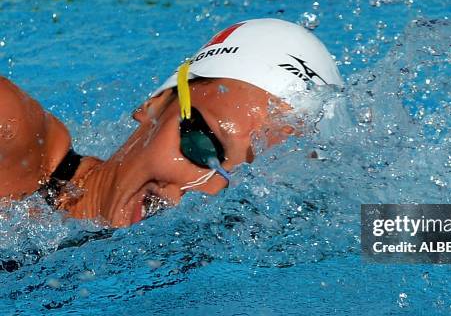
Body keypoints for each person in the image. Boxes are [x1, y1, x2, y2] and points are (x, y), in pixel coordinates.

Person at [0, 18, 343, 227]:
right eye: (203, 146)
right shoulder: (13, 139)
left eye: (238, 189)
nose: (194, 196)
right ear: (156, 104)